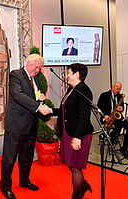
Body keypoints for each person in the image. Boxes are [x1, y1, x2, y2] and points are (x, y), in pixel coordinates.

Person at [0, 54, 52, 199]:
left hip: (30, 124)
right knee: (10, 158)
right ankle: (5, 186)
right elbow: (18, 95)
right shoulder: (15, 75)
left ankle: (24, 181)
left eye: (39, 68)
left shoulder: (34, 79)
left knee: (27, 156)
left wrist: (41, 100)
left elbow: (31, 96)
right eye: (36, 67)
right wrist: (38, 107)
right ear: (28, 63)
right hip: (16, 125)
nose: (37, 70)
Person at [53, 63, 93, 199]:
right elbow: (65, 111)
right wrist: (48, 110)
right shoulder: (72, 89)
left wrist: (77, 137)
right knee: (68, 162)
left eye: (69, 72)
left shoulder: (83, 90)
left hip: (77, 134)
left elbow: (84, 116)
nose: (67, 75)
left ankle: (77, 195)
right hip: (68, 132)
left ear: (76, 74)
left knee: (75, 166)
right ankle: (83, 185)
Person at [97, 82, 128, 158]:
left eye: (120, 89)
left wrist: (121, 108)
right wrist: (105, 115)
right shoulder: (104, 95)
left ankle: (124, 148)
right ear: (113, 87)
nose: (119, 90)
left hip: (117, 116)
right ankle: (113, 135)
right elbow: (99, 106)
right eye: (117, 88)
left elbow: (121, 106)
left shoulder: (120, 96)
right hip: (107, 116)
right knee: (118, 127)